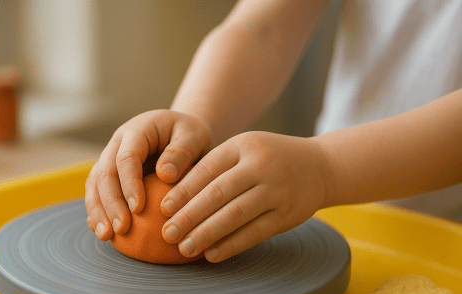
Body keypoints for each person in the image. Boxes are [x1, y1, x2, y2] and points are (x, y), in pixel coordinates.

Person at [85, 0, 462, 263]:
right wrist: (193, 119)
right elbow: (266, 26)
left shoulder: (322, 172)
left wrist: (325, 168)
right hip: (335, 212)